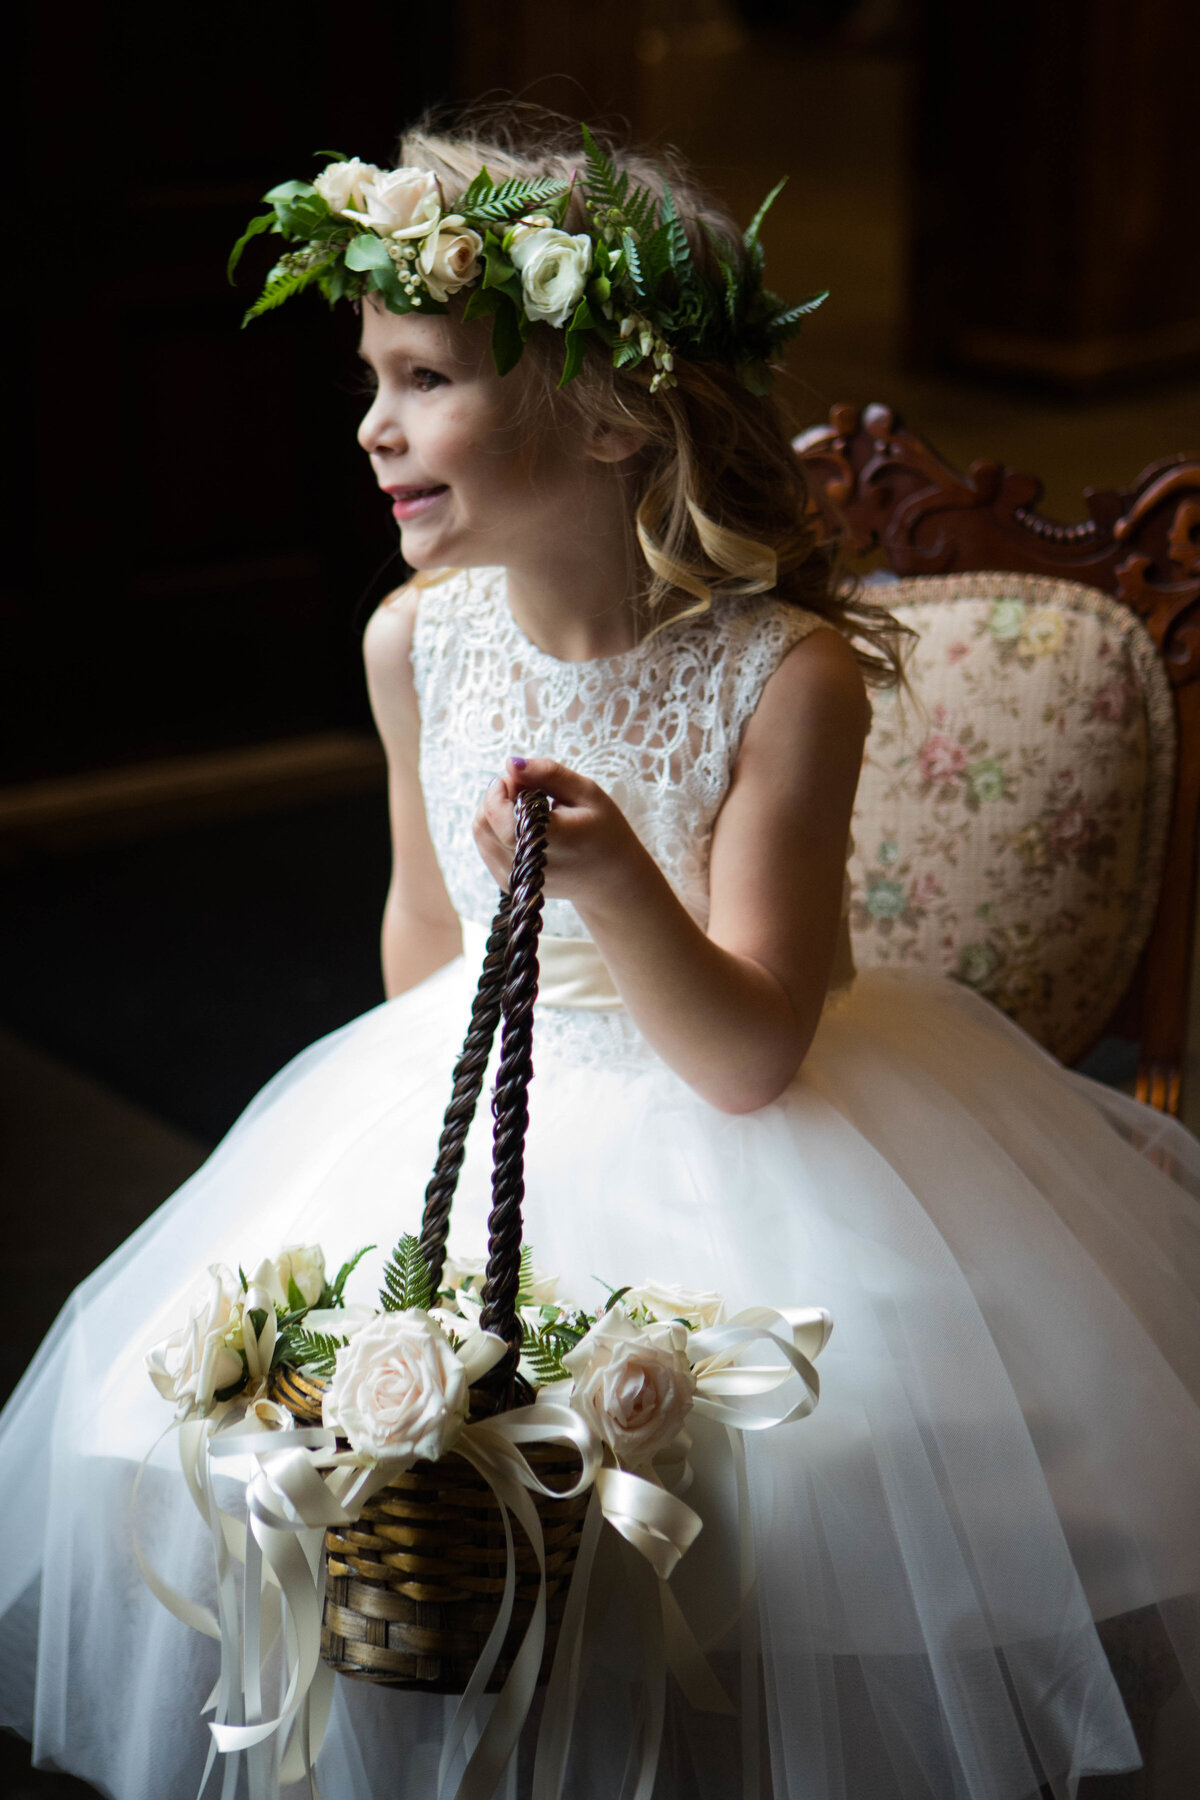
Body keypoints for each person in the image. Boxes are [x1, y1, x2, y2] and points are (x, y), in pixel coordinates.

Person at [1, 104, 1198, 1800]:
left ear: (614, 411)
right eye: (371, 376)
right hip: (469, 1108)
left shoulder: (785, 679)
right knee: (339, 1477)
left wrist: (622, 888)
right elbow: (421, 980)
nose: (372, 425)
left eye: (425, 379)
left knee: (784, 1513)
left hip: (744, 1134)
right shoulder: (416, 642)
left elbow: (752, 1054)